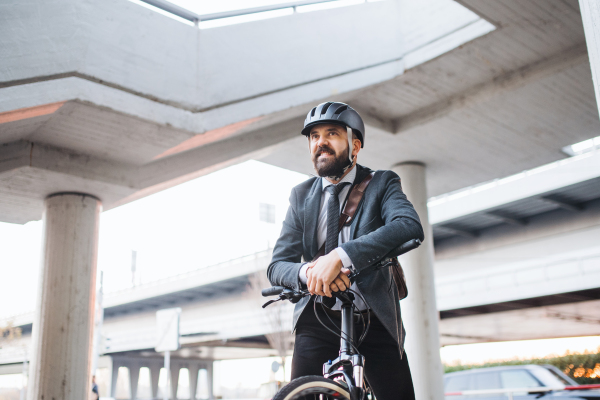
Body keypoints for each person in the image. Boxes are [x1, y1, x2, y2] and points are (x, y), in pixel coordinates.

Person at [267, 101, 424, 399]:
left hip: (372, 317)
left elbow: (408, 225)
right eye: (314, 136)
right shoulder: (300, 196)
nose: (320, 142)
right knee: (298, 394)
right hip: (316, 317)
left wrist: (340, 257)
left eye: (332, 134)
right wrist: (311, 270)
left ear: (355, 145)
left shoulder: (382, 183)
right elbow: (277, 267)